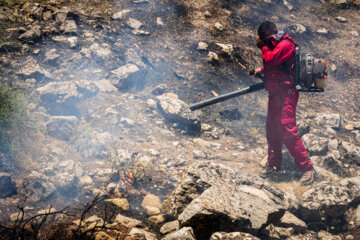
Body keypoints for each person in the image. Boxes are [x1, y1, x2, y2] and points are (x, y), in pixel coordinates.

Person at [253, 21, 315, 185]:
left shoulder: (286, 43)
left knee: (287, 131)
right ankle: (274, 166)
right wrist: (262, 70)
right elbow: (275, 66)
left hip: (286, 94)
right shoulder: (274, 43)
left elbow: (272, 59)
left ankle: (307, 169)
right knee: (272, 131)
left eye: (266, 39)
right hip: (275, 94)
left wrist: (263, 47)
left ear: (274, 32)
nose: (266, 43)